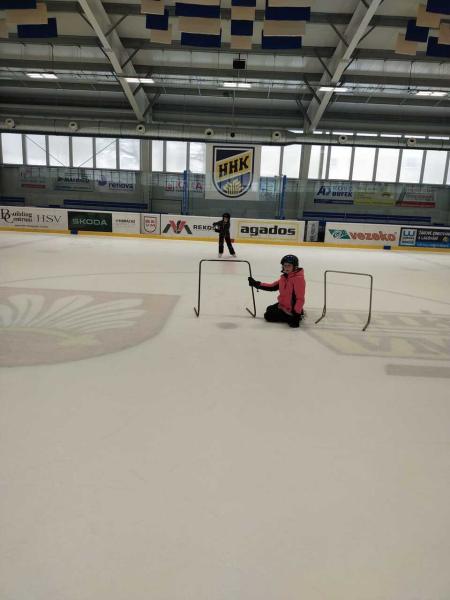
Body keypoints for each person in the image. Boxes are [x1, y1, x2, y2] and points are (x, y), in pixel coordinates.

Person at [248, 255, 305, 328]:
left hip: (291, 310)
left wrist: (296, 316)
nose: (286, 268)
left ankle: (296, 315)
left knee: (268, 316)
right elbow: (272, 286)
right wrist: (257, 284)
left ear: (295, 266)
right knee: (269, 309)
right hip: (284, 305)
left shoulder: (298, 279)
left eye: (289, 266)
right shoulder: (285, 277)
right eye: (285, 265)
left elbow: (300, 299)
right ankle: (296, 312)